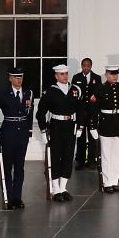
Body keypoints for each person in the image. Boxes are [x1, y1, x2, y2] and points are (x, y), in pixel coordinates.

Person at [37, 63, 82, 201]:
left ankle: (63, 188)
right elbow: (40, 113)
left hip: (70, 127)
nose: (65, 76)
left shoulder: (75, 89)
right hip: (56, 127)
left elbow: (81, 110)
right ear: (56, 75)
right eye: (61, 74)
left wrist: (80, 126)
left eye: (66, 73)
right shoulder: (50, 91)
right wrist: (43, 131)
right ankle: (55, 189)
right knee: (56, 157)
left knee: (68, 157)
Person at [0, 68, 34, 209]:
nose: (19, 80)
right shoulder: (3, 93)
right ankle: (8, 196)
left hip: (22, 132)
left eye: (21, 77)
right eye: (16, 77)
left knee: (19, 167)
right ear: (10, 78)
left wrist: (29, 131)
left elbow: (30, 113)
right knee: (7, 166)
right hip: (9, 131)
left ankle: (17, 197)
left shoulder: (28, 92)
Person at [91, 65, 119, 192]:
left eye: (116, 74)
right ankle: (107, 182)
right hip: (106, 124)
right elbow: (94, 109)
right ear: (106, 74)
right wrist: (93, 126)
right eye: (112, 74)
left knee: (116, 155)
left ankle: (115, 181)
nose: (115, 76)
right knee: (106, 155)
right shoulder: (100, 89)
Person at [73, 57, 103, 169]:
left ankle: (92, 160)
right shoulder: (76, 78)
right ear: (81, 66)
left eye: (88, 65)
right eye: (84, 65)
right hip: (80, 112)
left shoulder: (97, 78)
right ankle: (80, 161)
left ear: (91, 66)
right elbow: (74, 94)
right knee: (80, 137)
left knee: (92, 137)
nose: (86, 67)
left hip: (92, 113)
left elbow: (99, 94)